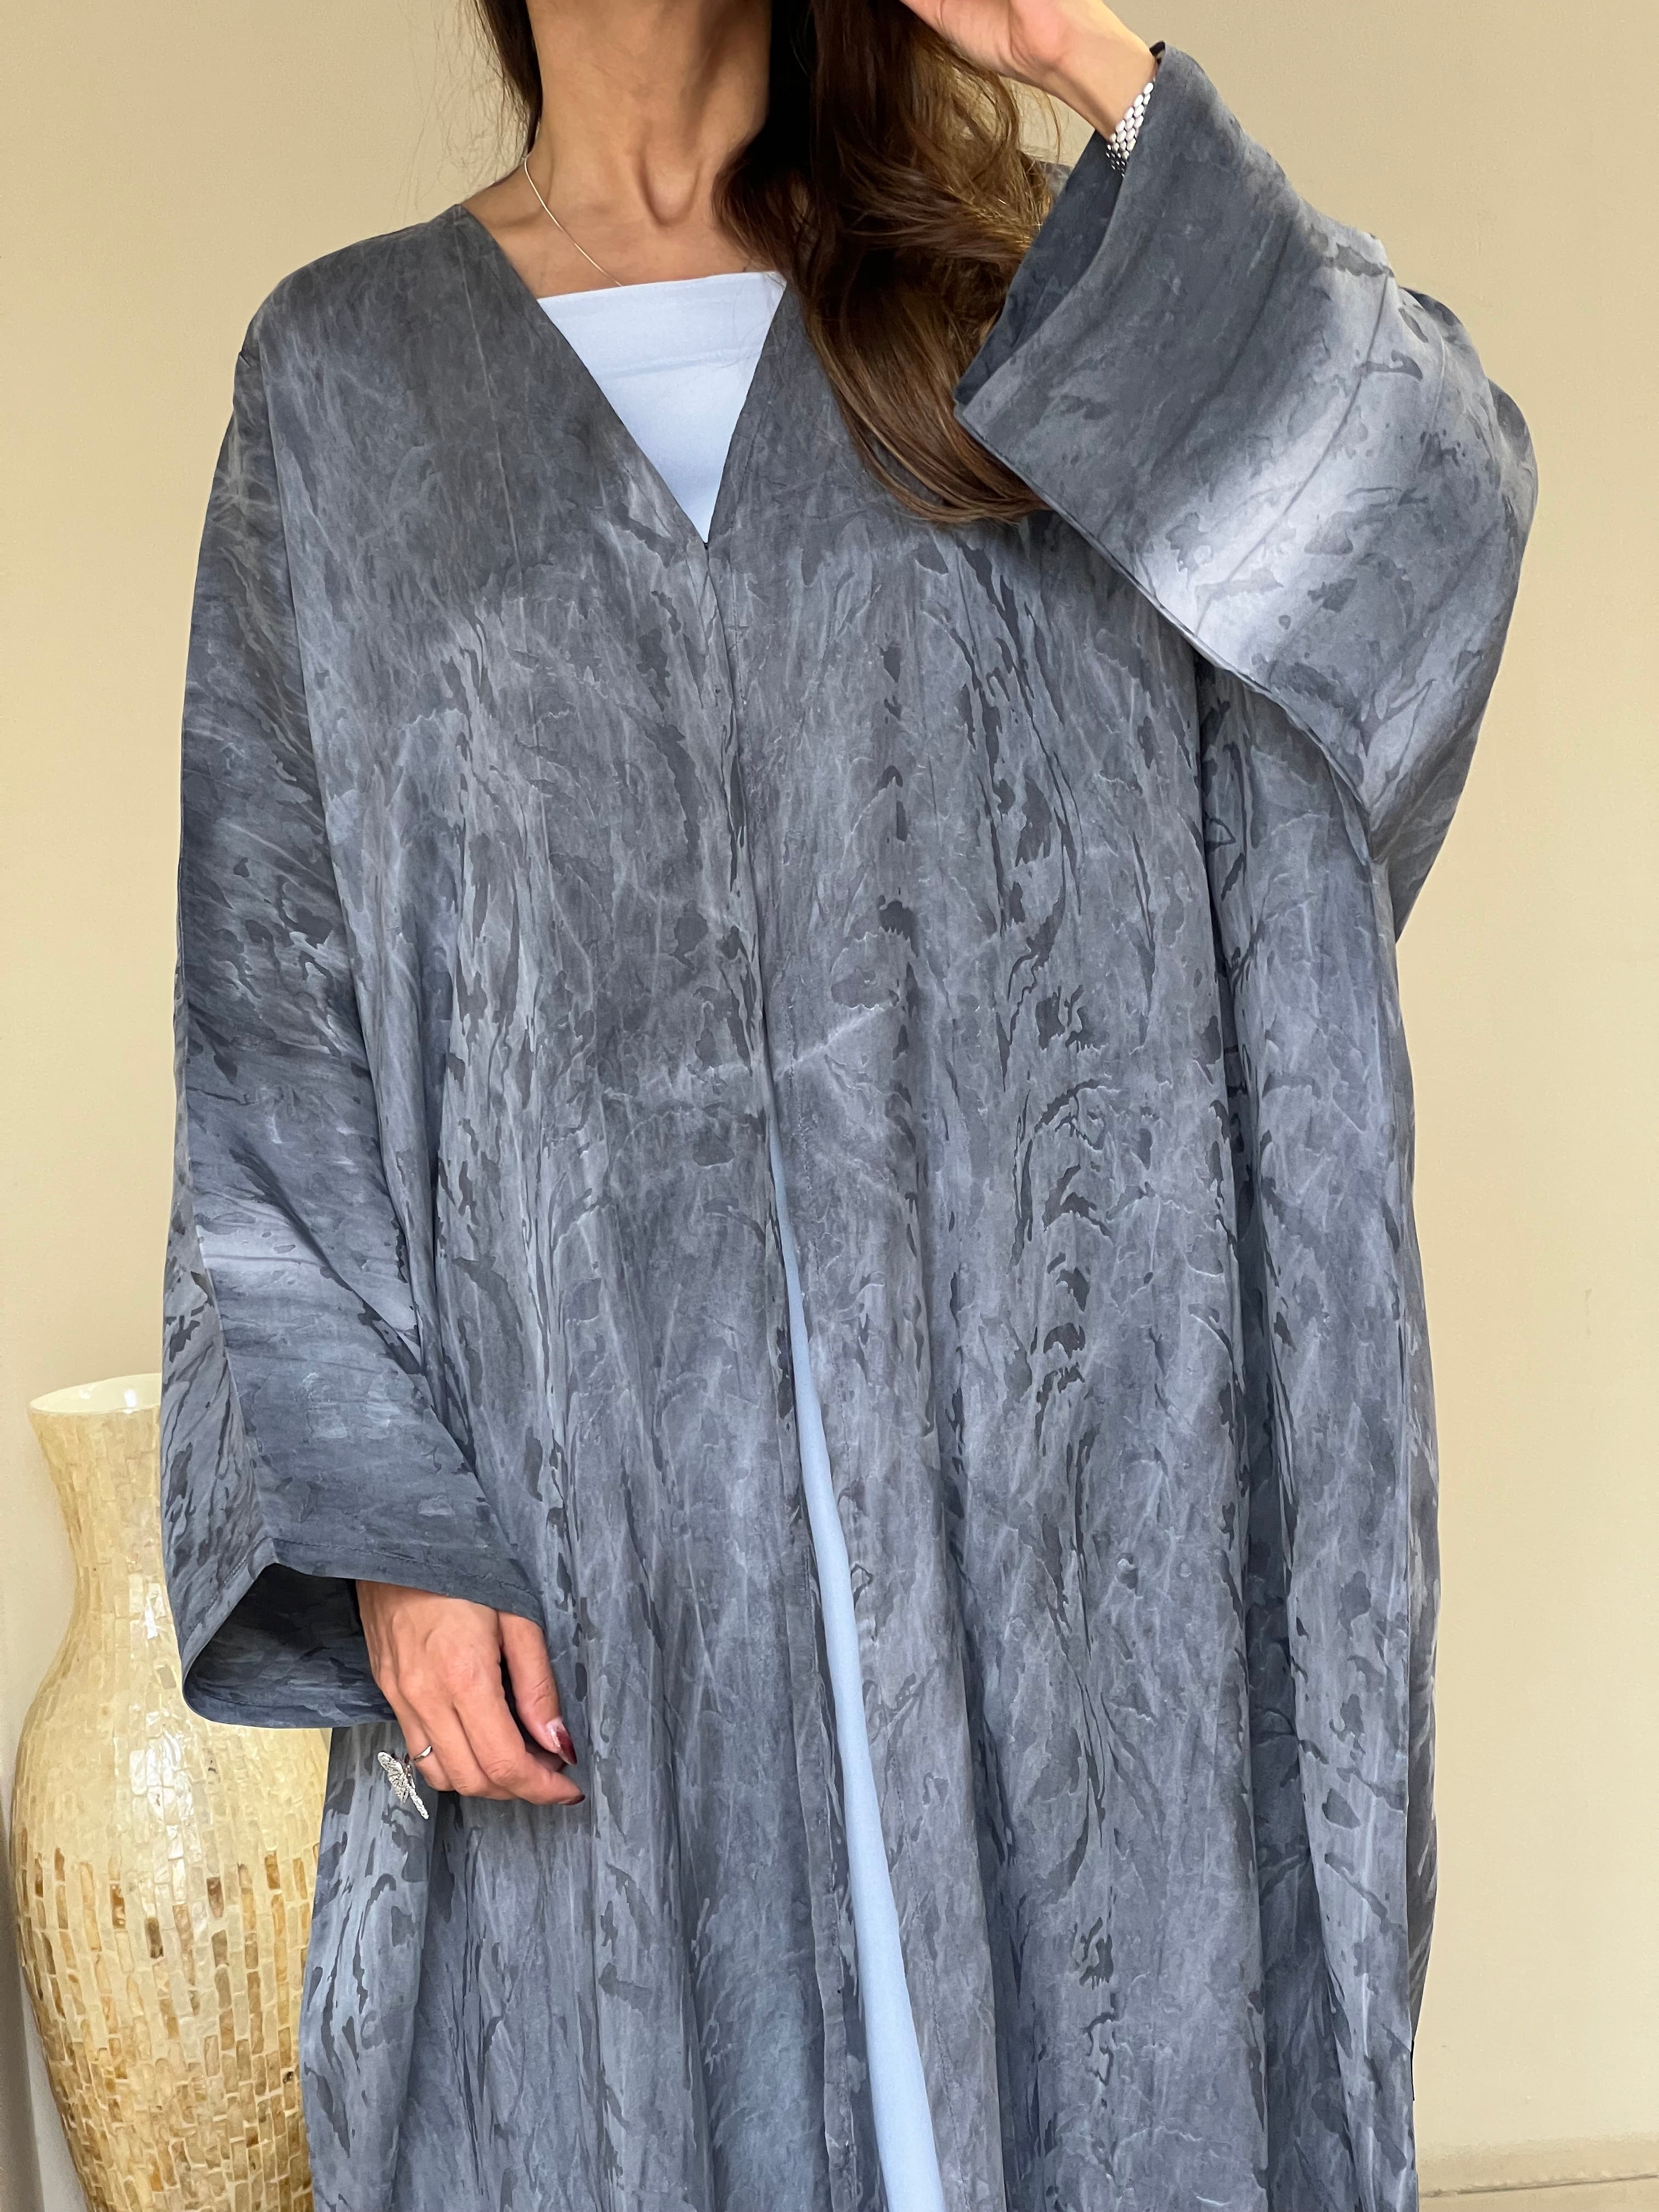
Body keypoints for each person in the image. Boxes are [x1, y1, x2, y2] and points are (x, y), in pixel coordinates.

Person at [158, 1, 1536, 2206]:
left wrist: (1080, 51)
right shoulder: (342, 384)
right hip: (604, 1592)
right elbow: (271, 1013)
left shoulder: (1013, 310)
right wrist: (388, 1530)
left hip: (1049, 1578)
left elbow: (1422, 528)